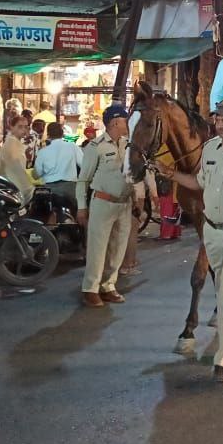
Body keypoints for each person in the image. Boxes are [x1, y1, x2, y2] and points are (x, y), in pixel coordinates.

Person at [159, 98, 223, 383]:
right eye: (217, 120)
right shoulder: (209, 149)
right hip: (211, 231)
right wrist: (172, 174)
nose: (220, 124)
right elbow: (199, 183)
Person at [76, 104, 134, 307]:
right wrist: (82, 207)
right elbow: (83, 179)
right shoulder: (96, 147)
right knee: (98, 248)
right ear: (115, 122)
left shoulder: (129, 145)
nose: (128, 124)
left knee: (118, 247)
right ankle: (90, 288)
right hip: (102, 202)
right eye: (125, 120)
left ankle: (108, 285)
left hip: (124, 203)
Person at [34, 121, 84, 216]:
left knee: (45, 217)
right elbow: (84, 165)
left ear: (48, 135)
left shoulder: (42, 152)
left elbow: (36, 174)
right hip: (70, 189)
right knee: (78, 216)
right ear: (62, 134)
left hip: (50, 191)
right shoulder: (72, 147)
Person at [0, 114, 36, 205]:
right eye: (20, 127)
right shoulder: (12, 144)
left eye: (26, 127)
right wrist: (28, 188)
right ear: (12, 127)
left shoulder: (16, 142)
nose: (23, 130)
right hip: (12, 186)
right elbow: (16, 169)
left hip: (12, 184)